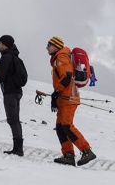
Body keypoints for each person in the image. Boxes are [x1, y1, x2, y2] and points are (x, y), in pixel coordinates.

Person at [47, 36, 96, 166]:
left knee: (67, 126)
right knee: (60, 127)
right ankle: (68, 155)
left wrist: (56, 92)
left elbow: (66, 77)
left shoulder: (61, 57)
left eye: (49, 45)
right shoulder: (59, 58)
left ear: (56, 46)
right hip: (64, 99)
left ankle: (86, 150)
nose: (46, 47)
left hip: (68, 98)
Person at [0, 34, 25, 156]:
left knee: (12, 119)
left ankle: (18, 148)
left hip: (10, 92)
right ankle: (18, 147)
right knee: (16, 119)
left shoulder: (6, 57)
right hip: (17, 91)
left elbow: (2, 76)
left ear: (4, 44)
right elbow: (9, 73)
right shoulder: (14, 56)